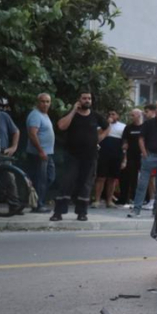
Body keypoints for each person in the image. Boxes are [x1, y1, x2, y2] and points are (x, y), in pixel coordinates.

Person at [50, 93, 109, 222]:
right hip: (72, 156)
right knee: (66, 183)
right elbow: (61, 126)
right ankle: (58, 212)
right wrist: (73, 111)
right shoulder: (72, 114)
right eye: (84, 98)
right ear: (79, 100)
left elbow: (107, 126)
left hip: (90, 156)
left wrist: (100, 138)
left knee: (86, 185)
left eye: (89, 98)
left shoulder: (95, 116)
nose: (87, 100)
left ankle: (82, 213)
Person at [128, 99, 157, 218]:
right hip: (149, 156)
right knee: (142, 185)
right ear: (156, 110)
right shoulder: (148, 124)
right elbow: (141, 139)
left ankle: (156, 211)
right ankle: (136, 210)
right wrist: (144, 153)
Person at [25, 93, 55, 213]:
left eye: (47, 101)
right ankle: (38, 205)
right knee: (41, 180)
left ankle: (36, 199)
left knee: (50, 177)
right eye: (43, 101)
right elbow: (32, 134)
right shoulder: (35, 115)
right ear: (38, 102)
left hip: (47, 153)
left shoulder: (44, 115)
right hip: (39, 153)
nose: (45, 104)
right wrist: (41, 151)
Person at [92, 110, 125, 208]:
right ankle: (97, 200)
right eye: (109, 114)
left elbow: (125, 143)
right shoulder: (102, 125)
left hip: (116, 155)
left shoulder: (123, 127)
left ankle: (109, 201)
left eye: (113, 114)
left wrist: (124, 158)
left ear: (118, 116)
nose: (111, 116)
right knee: (101, 177)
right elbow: (98, 136)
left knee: (112, 179)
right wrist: (107, 124)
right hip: (103, 154)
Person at [118, 109, 143, 205]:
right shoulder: (128, 128)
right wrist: (124, 145)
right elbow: (124, 139)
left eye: (133, 115)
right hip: (131, 155)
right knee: (130, 176)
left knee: (143, 178)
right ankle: (128, 197)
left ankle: (144, 198)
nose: (131, 117)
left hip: (142, 155)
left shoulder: (144, 127)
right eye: (130, 115)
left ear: (139, 115)